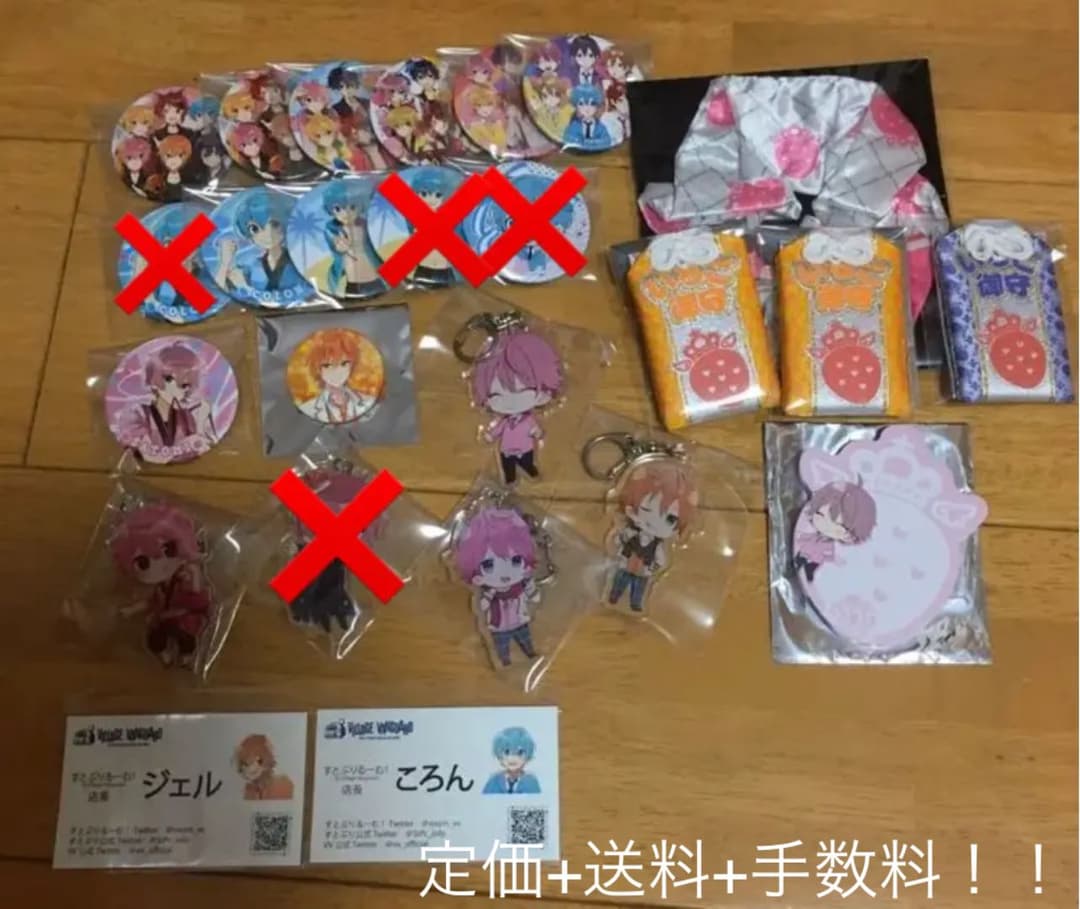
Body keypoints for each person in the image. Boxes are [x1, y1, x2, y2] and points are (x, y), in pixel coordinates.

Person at [111, 504, 212, 669]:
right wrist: (131, 610)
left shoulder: (183, 580)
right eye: (143, 563)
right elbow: (149, 603)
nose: (160, 564)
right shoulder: (159, 589)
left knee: (184, 636)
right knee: (155, 638)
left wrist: (195, 575)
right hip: (164, 621)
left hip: (184, 620)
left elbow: (196, 597)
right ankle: (164, 654)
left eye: (169, 550)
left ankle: (186, 655)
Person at [471, 329, 563, 484]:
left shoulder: (529, 420)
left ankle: (532, 473)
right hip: (506, 452)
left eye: (523, 391)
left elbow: (536, 430)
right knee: (509, 471)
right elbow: (497, 431)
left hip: (525, 450)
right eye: (496, 395)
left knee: (528, 465)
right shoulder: (504, 421)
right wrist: (490, 436)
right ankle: (511, 481)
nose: (512, 401)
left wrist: (538, 433)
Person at [455, 508, 541, 667]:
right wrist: (488, 595)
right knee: (502, 650)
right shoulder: (490, 591)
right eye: (489, 565)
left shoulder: (521, 585)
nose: (504, 573)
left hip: (520, 621)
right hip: (499, 627)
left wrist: (531, 587)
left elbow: (535, 597)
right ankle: (505, 662)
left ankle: (530, 654)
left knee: (527, 642)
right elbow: (482, 606)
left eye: (516, 561)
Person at [609, 462, 698, 612]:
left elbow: (660, 560)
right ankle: (614, 595)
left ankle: (635, 603)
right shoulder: (631, 532)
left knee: (639, 587)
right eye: (646, 509)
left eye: (670, 520)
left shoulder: (657, 546)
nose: (654, 522)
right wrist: (619, 542)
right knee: (620, 580)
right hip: (625, 565)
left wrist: (654, 566)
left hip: (643, 571)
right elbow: (619, 539)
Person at [793, 480, 877, 582]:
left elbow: (829, 555)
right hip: (805, 549)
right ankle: (799, 564)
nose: (826, 525)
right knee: (802, 556)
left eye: (838, 525)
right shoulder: (812, 534)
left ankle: (808, 569)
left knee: (815, 561)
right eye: (820, 514)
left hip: (817, 555)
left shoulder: (829, 544)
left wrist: (836, 560)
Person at [296, 329, 377, 424]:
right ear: (318, 369)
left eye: (344, 364)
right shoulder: (307, 408)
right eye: (327, 365)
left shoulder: (370, 402)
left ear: (352, 365)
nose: (337, 372)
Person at [320, 182, 380, 296]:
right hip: (352, 283)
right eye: (338, 209)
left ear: (361, 206)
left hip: (375, 279)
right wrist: (339, 249)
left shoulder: (367, 226)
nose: (346, 213)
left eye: (352, 207)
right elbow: (335, 250)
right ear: (331, 210)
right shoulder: (332, 230)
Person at [234, 735, 295, 800]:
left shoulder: (283, 783)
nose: (252, 767)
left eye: (259, 761)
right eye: (245, 763)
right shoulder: (248, 790)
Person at [482, 727, 541, 794]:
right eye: (507, 752)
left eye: (520, 753)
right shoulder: (493, 781)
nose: (512, 758)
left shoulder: (531, 782)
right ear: (499, 756)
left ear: (527, 757)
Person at [563, 84, 611, 150]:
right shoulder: (574, 126)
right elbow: (568, 139)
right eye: (581, 104)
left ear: (597, 106)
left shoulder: (600, 127)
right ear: (576, 107)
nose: (587, 108)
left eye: (592, 104)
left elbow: (606, 141)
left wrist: (589, 143)